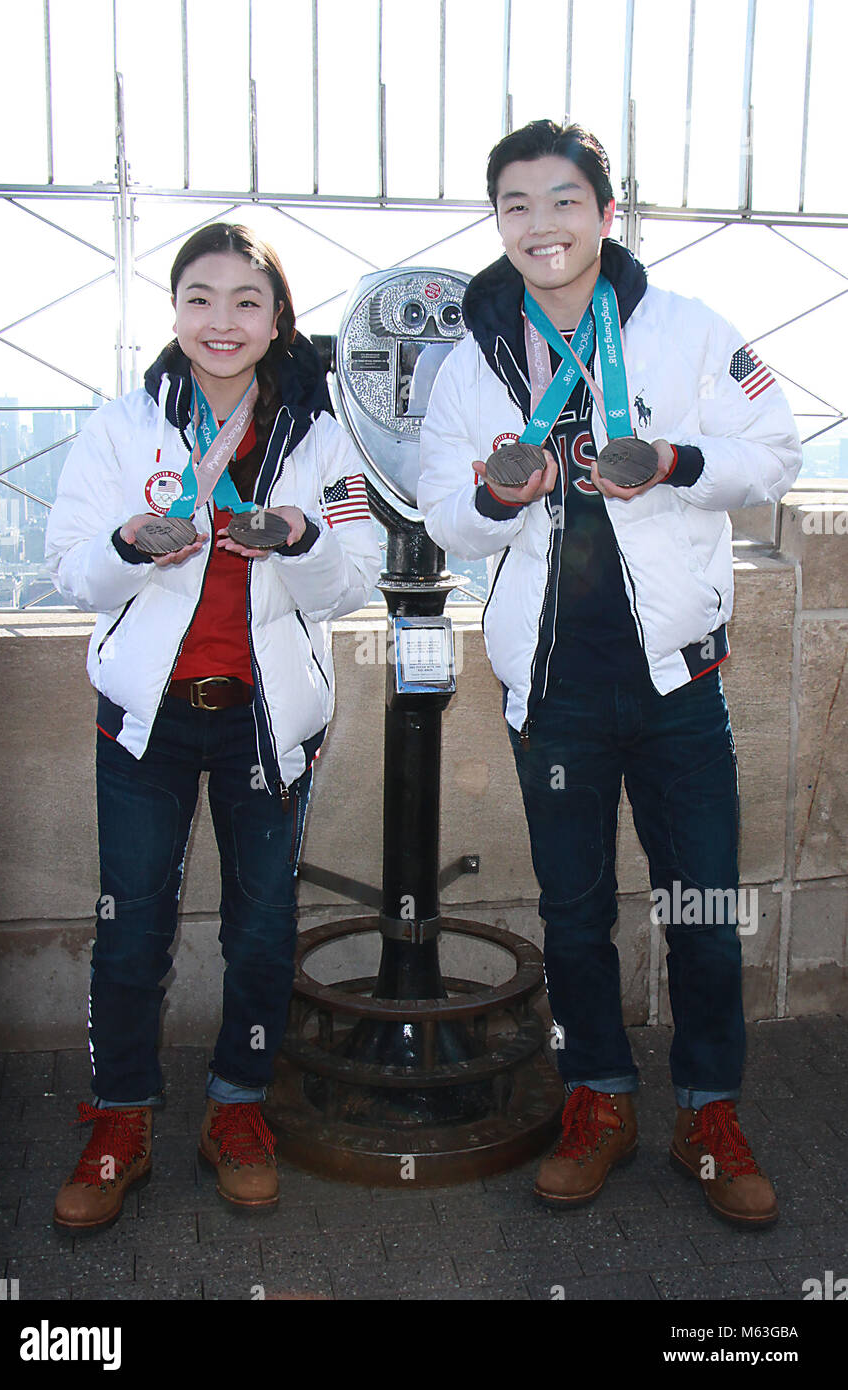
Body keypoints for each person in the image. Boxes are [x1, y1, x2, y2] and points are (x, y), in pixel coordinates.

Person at [417, 120, 802, 1227]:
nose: (540, 225)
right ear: (498, 222)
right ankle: (595, 1095)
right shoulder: (467, 360)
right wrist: (497, 495)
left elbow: (771, 448)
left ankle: (709, 1113)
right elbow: (448, 518)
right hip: (554, 688)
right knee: (574, 913)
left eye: (561, 201)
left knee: (702, 904)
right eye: (515, 206)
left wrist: (674, 464)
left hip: (677, 680)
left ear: (604, 212)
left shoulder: (683, 331)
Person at [45, 223, 380, 1230]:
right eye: (200, 298)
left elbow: (352, 581)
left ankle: (237, 1108)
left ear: (278, 319)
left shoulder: (321, 438)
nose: (221, 320)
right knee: (130, 927)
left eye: (245, 301)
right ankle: (121, 1117)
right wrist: (128, 543)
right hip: (145, 725)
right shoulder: (122, 426)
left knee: (262, 930)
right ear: (175, 311)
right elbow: (70, 571)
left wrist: (297, 536)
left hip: (263, 725)